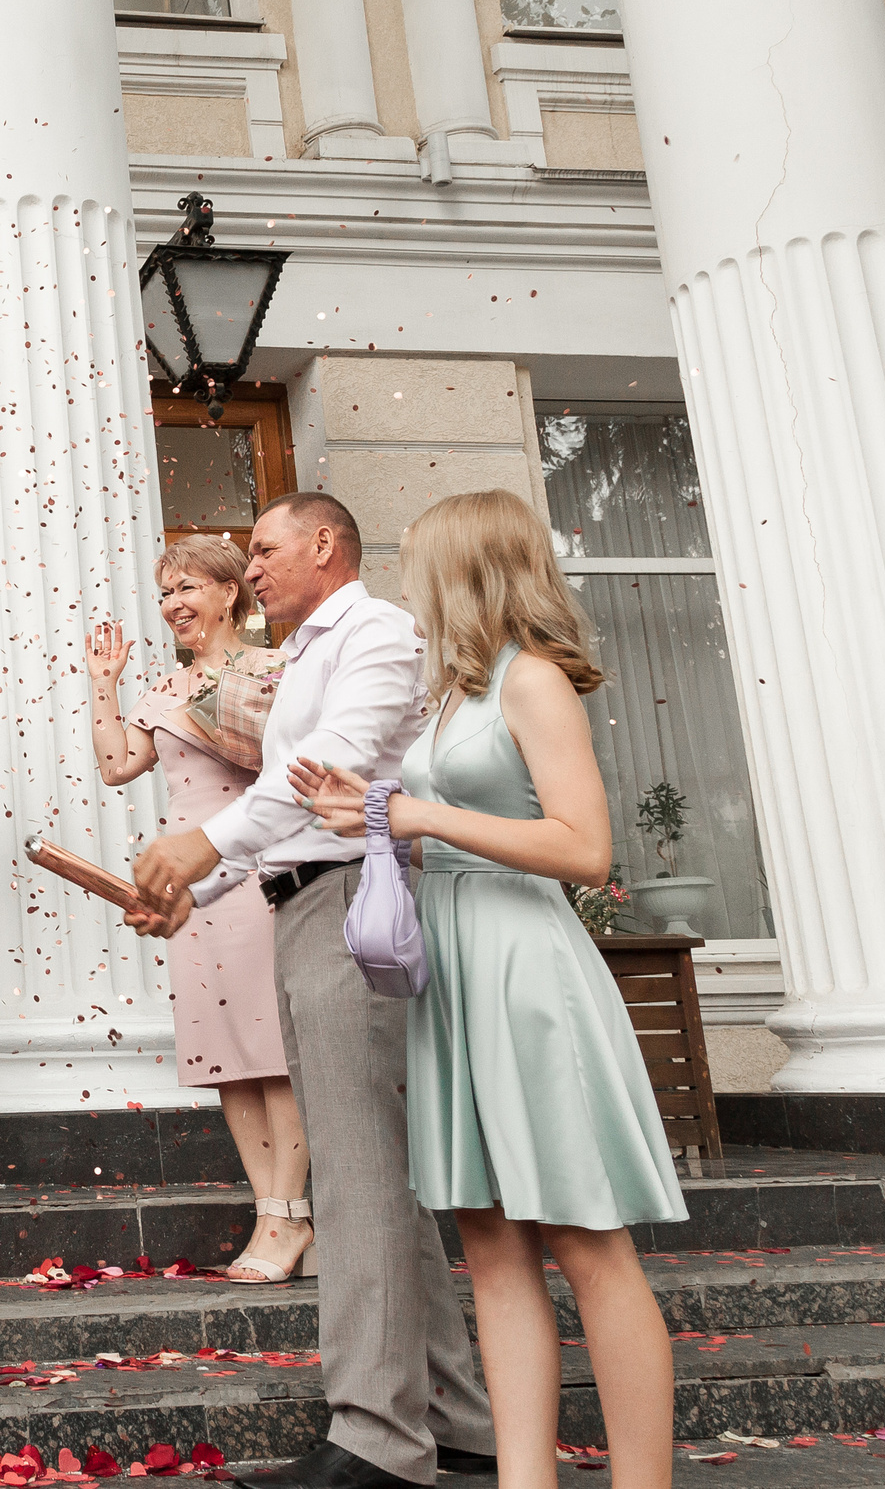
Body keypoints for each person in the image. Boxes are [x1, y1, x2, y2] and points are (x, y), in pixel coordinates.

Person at [293, 490, 683, 1489]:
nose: (407, 587)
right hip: (455, 969)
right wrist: (368, 814)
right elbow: (444, 825)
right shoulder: (451, 694)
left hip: (523, 970)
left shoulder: (532, 680)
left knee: (586, 1241)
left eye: (419, 563)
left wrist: (419, 816)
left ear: (467, 568)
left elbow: (584, 849)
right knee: (492, 1246)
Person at [130, 492, 493, 1489]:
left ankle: (377, 1438)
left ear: (325, 544)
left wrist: (202, 843)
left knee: (356, 1176)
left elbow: (318, 771)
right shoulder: (303, 652)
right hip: (298, 902)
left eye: (263, 548)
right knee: (369, 1173)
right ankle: (457, 1419)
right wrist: (195, 891)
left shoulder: (375, 632)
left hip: (347, 906)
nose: (249, 568)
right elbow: (282, 815)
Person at [87, 535, 311, 1283]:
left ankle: (291, 1214)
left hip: (257, 870)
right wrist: (105, 685)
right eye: (165, 592)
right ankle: (270, 1211)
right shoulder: (165, 690)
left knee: (275, 1052)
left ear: (228, 592)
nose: (174, 604)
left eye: (187, 588)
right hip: (190, 890)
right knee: (227, 1058)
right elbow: (117, 765)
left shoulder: (278, 671)